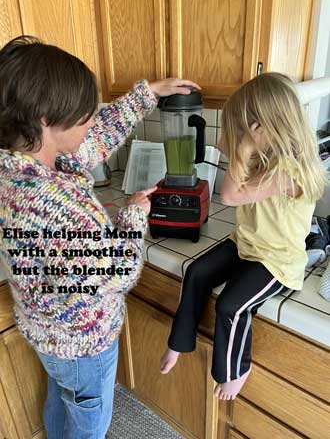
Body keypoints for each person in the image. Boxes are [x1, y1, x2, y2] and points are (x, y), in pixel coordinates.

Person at [0, 35, 200, 439]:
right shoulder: (52, 201)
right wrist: (134, 216)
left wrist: (148, 94)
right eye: (85, 115)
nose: (93, 121)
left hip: (46, 331)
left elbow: (92, 141)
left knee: (62, 398)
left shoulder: (18, 165)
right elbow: (118, 271)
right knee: (90, 421)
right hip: (81, 345)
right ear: (44, 118)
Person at [160, 72, 327, 400]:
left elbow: (231, 196)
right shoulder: (261, 160)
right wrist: (247, 144)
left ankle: (236, 369)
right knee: (195, 273)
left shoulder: (290, 172)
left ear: (266, 128)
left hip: (276, 261)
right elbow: (234, 185)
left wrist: (245, 147)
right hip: (246, 244)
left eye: (243, 129)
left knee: (231, 306)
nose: (237, 137)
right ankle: (178, 342)